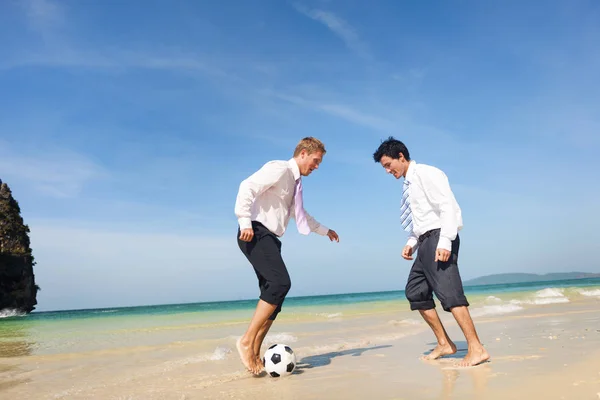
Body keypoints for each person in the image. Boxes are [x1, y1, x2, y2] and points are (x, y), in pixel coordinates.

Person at [372, 137, 489, 367]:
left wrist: (445, 241)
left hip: (439, 237)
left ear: (401, 157)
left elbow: (447, 206)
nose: (387, 171)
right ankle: (445, 343)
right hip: (425, 241)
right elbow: (421, 219)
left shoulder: (426, 173)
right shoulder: (409, 184)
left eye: (388, 165)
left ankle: (477, 348)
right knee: (415, 292)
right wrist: (411, 242)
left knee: (450, 293)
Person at [234, 136, 340, 375]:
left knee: (275, 295)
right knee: (281, 283)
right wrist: (244, 222)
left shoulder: (294, 183)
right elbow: (247, 186)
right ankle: (245, 341)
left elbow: (300, 214)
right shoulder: (279, 169)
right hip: (254, 232)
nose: (316, 166)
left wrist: (324, 231)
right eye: (315, 161)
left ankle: (254, 351)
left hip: (270, 238)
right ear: (303, 153)